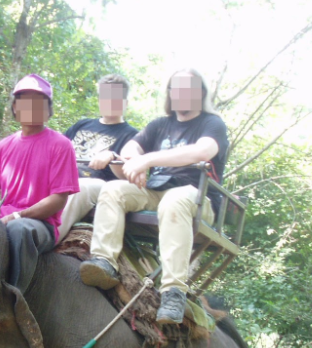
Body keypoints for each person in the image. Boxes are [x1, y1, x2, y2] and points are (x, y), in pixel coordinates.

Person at [79, 68, 229, 325]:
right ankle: (104, 261)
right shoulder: (159, 125)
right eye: (176, 89)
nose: (181, 94)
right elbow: (130, 149)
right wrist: (130, 162)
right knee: (113, 190)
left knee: (175, 201)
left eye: (188, 89)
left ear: (200, 94)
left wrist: (147, 159)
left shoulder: (211, 123)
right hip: (157, 190)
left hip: (195, 196)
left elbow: (203, 151)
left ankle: (173, 291)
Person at [0, 74, 79, 291]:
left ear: (48, 110)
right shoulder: (4, 145)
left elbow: (58, 199)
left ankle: (15, 299)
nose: (31, 107)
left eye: (38, 102)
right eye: (25, 101)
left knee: (19, 229)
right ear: (15, 107)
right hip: (3, 215)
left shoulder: (60, 145)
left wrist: (19, 215)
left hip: (39, 224)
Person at [58, 74, 139, 242]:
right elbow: (57, 150)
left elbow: (132, 176)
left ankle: (48, 236)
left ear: (126, 103)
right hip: (64, 178)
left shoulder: (132, 136)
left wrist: (113, 156)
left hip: (97, 185)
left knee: (81, 186)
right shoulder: (82, 124)